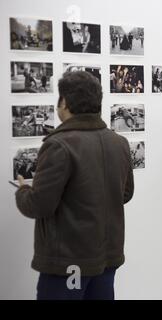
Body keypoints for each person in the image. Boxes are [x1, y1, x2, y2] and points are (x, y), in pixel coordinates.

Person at [14, 71, 134, 300]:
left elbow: (38, 206)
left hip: (69, 263)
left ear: (64, 102)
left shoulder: (59, 145)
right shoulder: (119, 142)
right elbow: (125, 194)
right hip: (107, 257)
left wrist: (22, 190)